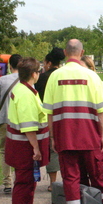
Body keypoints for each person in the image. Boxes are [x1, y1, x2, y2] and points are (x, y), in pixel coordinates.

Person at [42, 39, 103, 204]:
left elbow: (49, 112)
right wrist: (101, 134)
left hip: (65, 137)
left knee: (71, 180)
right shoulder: (92, 77)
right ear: (82, 52)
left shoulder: (54, 76)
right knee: (99, 178)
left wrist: (52, 137)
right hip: (90, 137)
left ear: (65, 52)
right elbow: (102, 111)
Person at [5, 57, 50, 204]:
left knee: (26, 183)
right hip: (25, 148)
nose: (39, 74)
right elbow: (28, 125)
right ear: (33, 74)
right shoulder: (26, 94)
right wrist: (36, 148)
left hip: (20, 147)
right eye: (38, 71)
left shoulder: (24, 90)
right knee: (25, 183)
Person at [34, 47, 65, 192]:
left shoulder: (43, 77)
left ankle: (52, 183)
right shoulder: (63, 76)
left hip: (46, 116)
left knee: (51, 148)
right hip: (63, 115)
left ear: (48, 62)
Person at [0, 53, 22, 194]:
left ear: (10, 66)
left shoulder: (2, 80)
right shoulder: (25, 80)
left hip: (4, 120)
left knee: (4, 151)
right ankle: (20, 180)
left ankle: (7, 182)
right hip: (20, 121)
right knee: (21, 151)